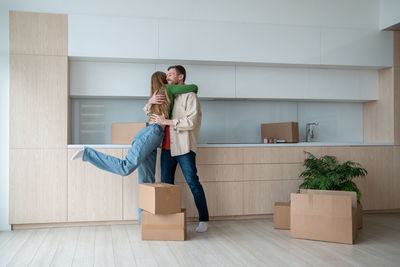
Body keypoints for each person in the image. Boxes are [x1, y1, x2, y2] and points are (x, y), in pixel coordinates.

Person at [71, 71, 198, 221]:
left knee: (146, 180)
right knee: (126, 167)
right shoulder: (168, 90)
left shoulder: (156, 94)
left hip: (153, 135)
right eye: (167, 76)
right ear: (163, 80)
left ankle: (144, 221)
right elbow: (193, 87)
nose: (169, 78)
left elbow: (150, 113)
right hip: (152, 133)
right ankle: (88, 154)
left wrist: (150, 102)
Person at [150, 65, 209, 233]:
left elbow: (191, 122)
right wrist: (150, 103)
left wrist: (167, 122)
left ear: (180, 77)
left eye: (171, 74)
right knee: (166, 185)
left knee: (193, 183)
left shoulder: (190, 96)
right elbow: (152, 115)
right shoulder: (168, 95)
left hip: (184, 148)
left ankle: (204, 219)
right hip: (167, 148)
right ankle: (170, 220)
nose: (167, 77)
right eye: (167, 74)